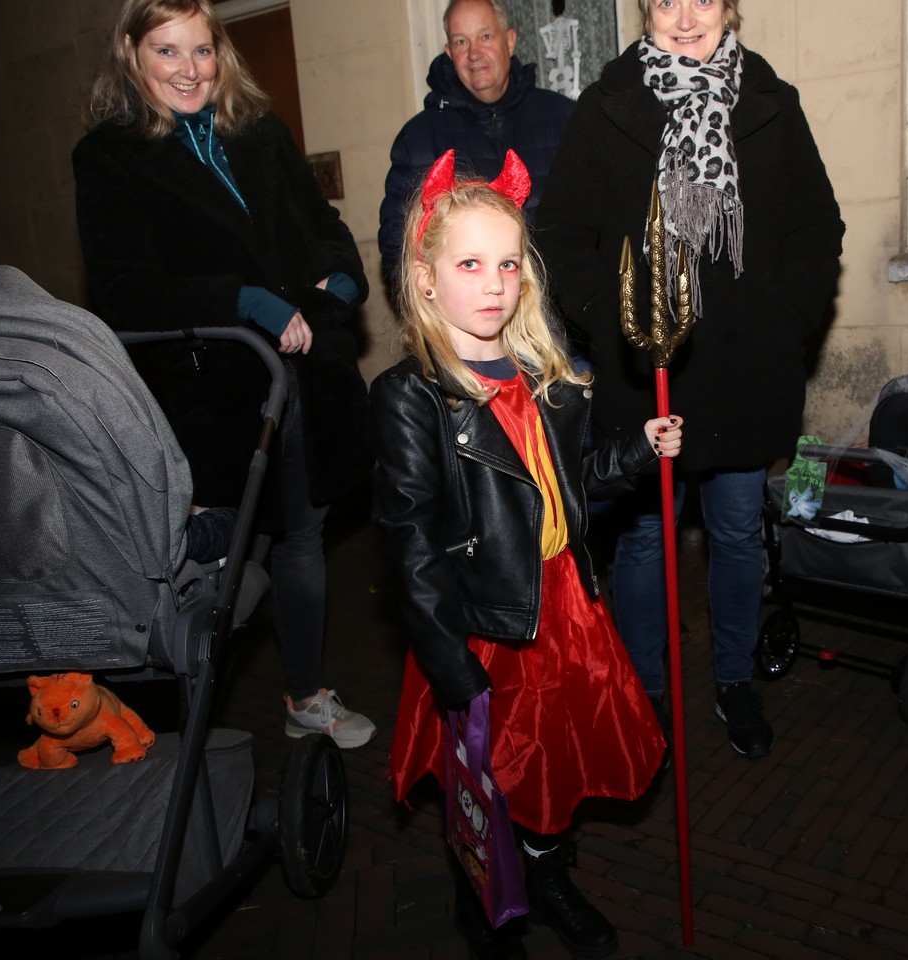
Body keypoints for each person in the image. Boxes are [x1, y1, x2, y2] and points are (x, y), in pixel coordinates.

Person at [372, 149, 681, 960]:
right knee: (494, 777)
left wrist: (639, 451)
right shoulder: (412, 398)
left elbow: (568, 489)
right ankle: (485, 902)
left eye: (508, 263)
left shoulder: (546, 377)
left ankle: (547, 876)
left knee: (557, 766)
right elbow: (411, 545)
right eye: (470, 264)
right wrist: (447, 662)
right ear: (426, 279)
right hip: (486, 623)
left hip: (564, 607)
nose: (495, 283)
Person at [533, 0, 844, 759]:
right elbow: (561, 234)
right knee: (644, 539)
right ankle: (647, 692)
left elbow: (816, 227)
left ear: (729, 8)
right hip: (647, 372)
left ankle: (734, 679)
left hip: (745, 367)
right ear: (645, 11)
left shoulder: (771, 102)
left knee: (737, 532)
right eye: (664, 0)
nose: (683, 16)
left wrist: (787, 317)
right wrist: (613, 318)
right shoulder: (607, 106)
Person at [74, 0, 377, 748]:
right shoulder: (109, 157)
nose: (189, 70)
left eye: (202, 50)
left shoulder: (260, 132)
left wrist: (340, 282)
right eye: (167, 51)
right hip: (212, 393)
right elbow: (124, 291)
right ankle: (182, 728)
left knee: (302, 535)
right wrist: (243, 302)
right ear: (133, 55)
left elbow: (326, 231)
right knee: (230, 554)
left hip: (302, 376)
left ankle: (305, 696)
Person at [376, 0, 576, 275]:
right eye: (461, 42)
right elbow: (398, 246)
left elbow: (596, 221)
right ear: (449, 52)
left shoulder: (564, 119)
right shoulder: (418, 139)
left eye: (485, 36)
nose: (474, 54)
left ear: (510, 41)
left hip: (556, 298)